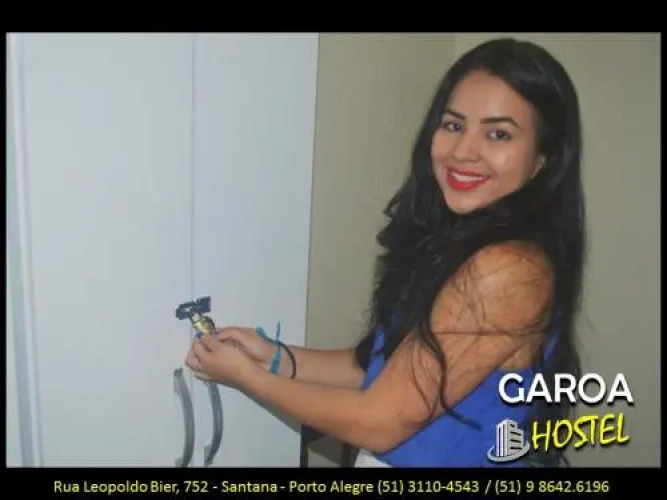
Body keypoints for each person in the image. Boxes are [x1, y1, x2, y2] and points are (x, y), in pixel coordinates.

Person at [185, 37, 585, 468]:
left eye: (498, 134)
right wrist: (277, 357)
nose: (463, 151)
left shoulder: (510, 269)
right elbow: (379, 368)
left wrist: (246, 377)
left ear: (543, 158)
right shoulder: (457, 240)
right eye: (453, 125)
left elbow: (380, 421)